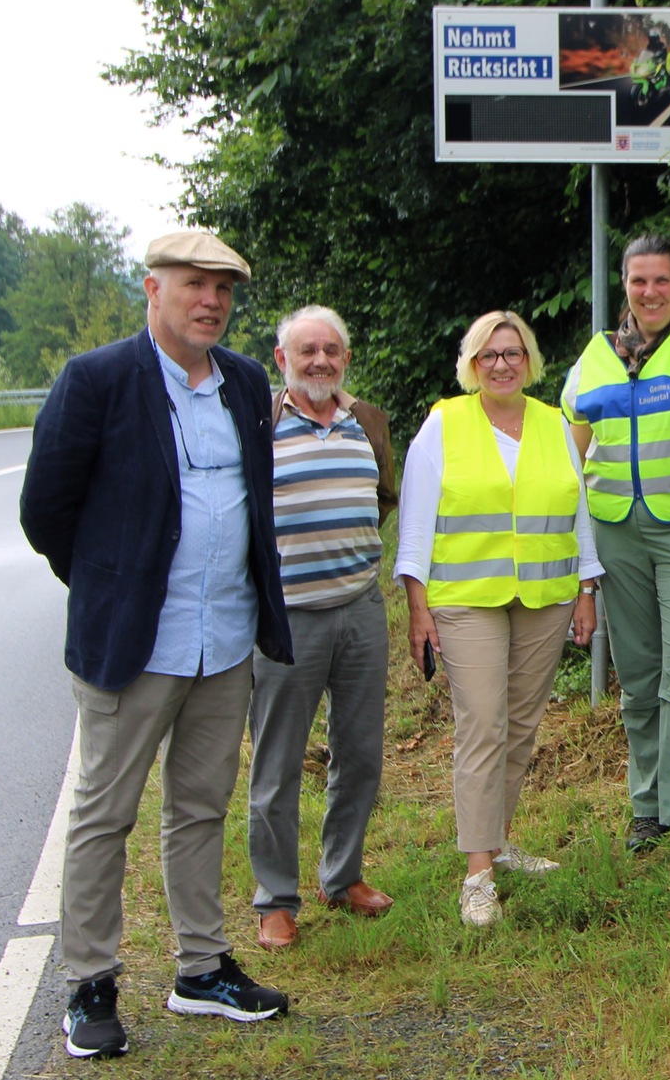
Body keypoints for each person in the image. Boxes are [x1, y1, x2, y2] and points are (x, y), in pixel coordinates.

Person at [20, 232, 294, 1059]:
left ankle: (201, 968)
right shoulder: (98, 379)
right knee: (104, 814)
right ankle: (90, 983)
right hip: (135, 643)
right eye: (194, 285)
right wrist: (112, 583)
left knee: (200, 807)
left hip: (225, 639)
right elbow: (46, 509)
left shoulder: (246, 380)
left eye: (223, 289)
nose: (210, 300)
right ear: (153, 288)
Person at [395, 311, 603, 926]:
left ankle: (501, 841)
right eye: (490, 355)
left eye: (513, 353)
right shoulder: (444, 424)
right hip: (464, 598)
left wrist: (587, 588)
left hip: (546, 596)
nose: (503, 364)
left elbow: (578, 511)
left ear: (529, 361)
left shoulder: (553, 424)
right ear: (472, 365)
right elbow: (415, 519)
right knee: (482, 724)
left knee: (519, 726)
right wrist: (416, 603)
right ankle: (478, 872)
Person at [562, 234, 670, 870]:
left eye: (662, 280)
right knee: (639, 674)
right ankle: (650, 804)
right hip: (615, 531)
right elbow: (570, 453)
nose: (650, 292)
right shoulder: (595, 356)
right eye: (639, 281)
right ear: (624, 286)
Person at [247, 305, 397, 952]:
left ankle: (343, 875)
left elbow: (384, 496)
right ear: (283, 359)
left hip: (361, 610)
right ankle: (275, 899)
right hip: (286, 619)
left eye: (332, 350)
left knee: (359, 753)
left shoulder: (367, 422)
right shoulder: (260, 425)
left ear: (346, 358)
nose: (320, 361)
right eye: (307, 350)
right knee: (277, 763)